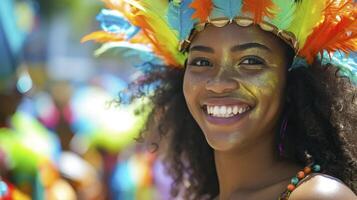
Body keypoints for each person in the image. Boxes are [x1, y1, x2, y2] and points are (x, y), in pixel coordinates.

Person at [84, 0, 357, 199]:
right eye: (202, 61)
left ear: (291, 83)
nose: (218, 83)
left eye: (250, 61)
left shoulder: (318, 196)